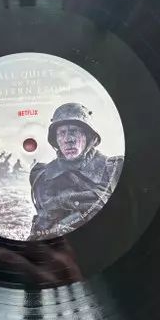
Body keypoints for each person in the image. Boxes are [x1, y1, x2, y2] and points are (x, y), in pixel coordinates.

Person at [28, 102, 123, 239]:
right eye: (62, 133)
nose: (68, 139)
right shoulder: (43, 176)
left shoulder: (113, 169)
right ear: (56, 139)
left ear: (88, 137)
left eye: (74, 131)